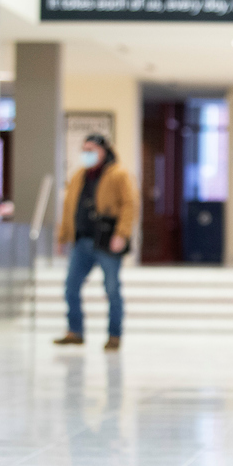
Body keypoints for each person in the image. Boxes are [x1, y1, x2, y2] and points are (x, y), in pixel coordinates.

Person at [53, 134, 140, 351]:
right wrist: (62, 236)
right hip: (81, 241)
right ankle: (75, 331)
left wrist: (122, 234)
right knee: (70, 287)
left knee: (111, 289)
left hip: (107, 241)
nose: (86, 154)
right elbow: (68, 208)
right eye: (84, 149)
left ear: (104, 151)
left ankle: (114, 335)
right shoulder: (78, 176)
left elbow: (130, 205)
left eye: (91, 149)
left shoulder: (119, 174)